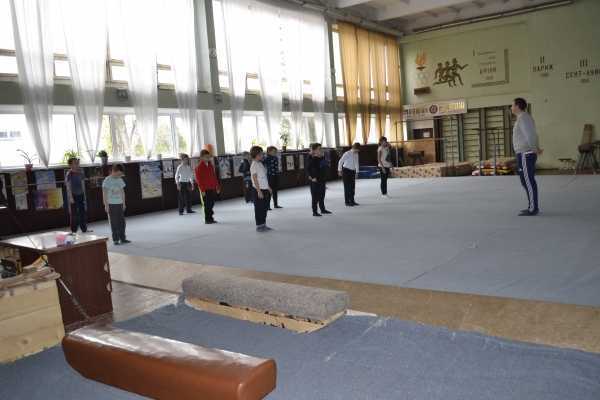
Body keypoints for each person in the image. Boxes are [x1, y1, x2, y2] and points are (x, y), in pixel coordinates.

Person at [511, 97, 542, 216]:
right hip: (524, 153)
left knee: (528, 181)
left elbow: (530, 135)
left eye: (512, 105)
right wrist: (536, 148)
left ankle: (533, 208)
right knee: (525, 181)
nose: (511, 107)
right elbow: (532, 134)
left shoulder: (524, 118)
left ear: (517, 106)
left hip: (526, 153)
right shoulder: (522, 118)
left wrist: (534, 148)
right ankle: (532, 206)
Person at [102, 164, 129, 245]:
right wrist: (106, 205)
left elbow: (122, 192)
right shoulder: (107, 180)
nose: (119, 176)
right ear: (113, 171)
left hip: (119, 203)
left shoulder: (120, 180)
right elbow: (104, 194)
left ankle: (123, 238)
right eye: (118, 174)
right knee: (114, 222)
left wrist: (124, 203)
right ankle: (116, 239)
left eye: (120, 174)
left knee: (122, 222)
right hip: (111, 204)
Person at [250, 146, 272, 232]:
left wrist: (268, 187)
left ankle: (263, 224)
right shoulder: (254, 165)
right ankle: (259, 226)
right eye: (261, 154)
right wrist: (259, 191)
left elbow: (264, 177)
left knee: (264, 208)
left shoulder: (260, 163)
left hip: (265, 189)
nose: (263, 155)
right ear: (256, 155)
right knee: (259, 208)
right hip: (258, 190)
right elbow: (255, 179)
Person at [195, 150, 220, 224]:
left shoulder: (210, 165)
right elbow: (199, 180)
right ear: (202, 157)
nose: (208, 158)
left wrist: (217, 186)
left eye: (208, 157)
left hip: (211, 187)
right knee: (207, 204)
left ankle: (211, 217)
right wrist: (202, 190)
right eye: (206, 157)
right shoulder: (199, 167)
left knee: (211, 203)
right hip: (205, 189)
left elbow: (214, 176)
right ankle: (207, 219)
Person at [307, 143, 332, 217]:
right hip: (314, 180)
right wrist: (312, 177)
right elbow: (308, 169)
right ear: (314, 150)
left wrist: (323, 158)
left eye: (321, 148)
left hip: (322, 179)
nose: (321, 150)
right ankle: (314, 212)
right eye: (319, 149)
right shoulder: (311, 159)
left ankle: (323, 209)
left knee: (322, 195)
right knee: (315, 196)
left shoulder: (322, 157)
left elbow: (325, 167)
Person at [65, 157, 88, 233]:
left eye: (77, 163)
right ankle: (73, 230)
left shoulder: (81, 173)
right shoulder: (69, 174)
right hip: (73, 195)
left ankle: (84, 228)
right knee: (74, 213)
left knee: (82, 212)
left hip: (81, 194)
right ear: (70, 165)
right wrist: (70, 197)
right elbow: (68, 186)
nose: (77, 164)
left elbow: (83, 184)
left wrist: (84, 195)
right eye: (75, 163)